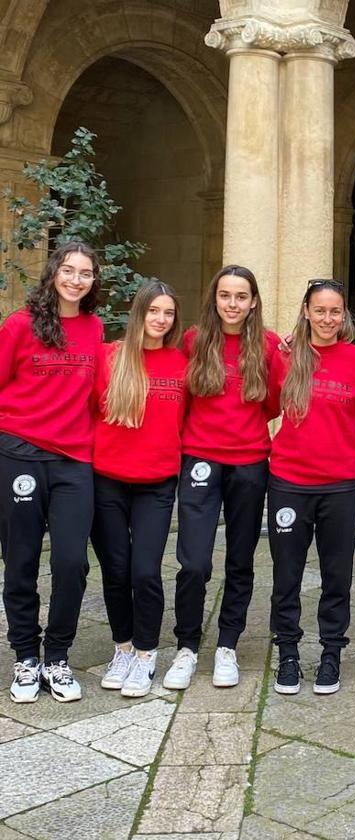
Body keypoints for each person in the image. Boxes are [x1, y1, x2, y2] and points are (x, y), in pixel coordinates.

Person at [163, 265, 279, 690]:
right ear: (215, 299)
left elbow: (275, 402)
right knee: (193, 561)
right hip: (199, 459)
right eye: (225, 295)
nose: (232, 304)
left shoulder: (268, 346)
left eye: (241, 296)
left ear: (253, 302)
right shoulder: (194, 340)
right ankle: (187, 647)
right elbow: (181, 396)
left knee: (240, 559)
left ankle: (228, 644)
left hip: (249, 462)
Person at [0, 242, 104, 703]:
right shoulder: (20, 325)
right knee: (21, 561)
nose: (76, 279)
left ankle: (57, 656)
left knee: (71, 562)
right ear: (54, 273)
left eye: (85, 273)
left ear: (93, 281)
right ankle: (26, 656)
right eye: (69, 270)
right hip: (19, 454)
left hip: (75, 460)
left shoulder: (94, 327)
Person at [267, 280, 355, 696]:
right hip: (289, 482)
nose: (328, 319)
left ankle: (331, 652)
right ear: (306, 311)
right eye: (320, 311)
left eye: (335, 312)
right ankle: (289, 653)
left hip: (340, 485)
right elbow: (263, 400)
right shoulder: (286, 357)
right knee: (287, 575)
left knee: (337, 575)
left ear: (344, 315)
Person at [92, 281, 187, 698]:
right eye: (153, 311)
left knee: (145, 571)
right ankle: (124, 647)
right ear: (139, 313)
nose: (160, 319)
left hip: (158, 481)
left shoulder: (182, 362)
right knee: (115, 570)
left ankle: (147, 654)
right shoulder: (109, 357)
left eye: (167, 313)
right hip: (107, 478)